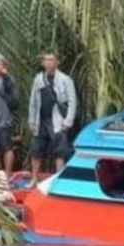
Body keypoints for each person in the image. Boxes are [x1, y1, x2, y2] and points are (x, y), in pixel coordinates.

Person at [27, 51, 77, 188]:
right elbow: (33, 101)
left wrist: (68, 122)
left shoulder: (66, 80)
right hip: (41, 120)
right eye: (46, 60)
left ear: (57, 62)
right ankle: (34, 178)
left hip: (57, 121)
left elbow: (72, 102)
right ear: (43, 63)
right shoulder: (38, 79)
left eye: (51, 60)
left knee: (59, 152)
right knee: (36, 151)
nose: (49, 62)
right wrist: (31, 120)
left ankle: (58, 181)